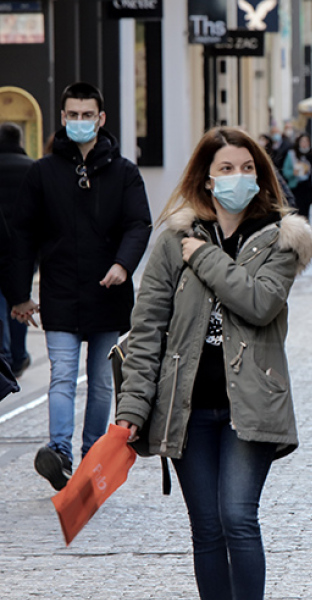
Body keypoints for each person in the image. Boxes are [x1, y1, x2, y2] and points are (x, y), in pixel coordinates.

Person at [114, 126, 312, 599]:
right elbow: (147, 328)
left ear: (260, 176)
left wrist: (204, 257)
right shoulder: (173, 241)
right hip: (186, 406)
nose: (237, 176)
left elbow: (259, 303)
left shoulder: (281, 239)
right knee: (206, 527)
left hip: (251, 404)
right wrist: (133, 406)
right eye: (226, 168)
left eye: (247, 168)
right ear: (207, 178)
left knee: (238, 517)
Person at [9, 82, 152, 491]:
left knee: (102, 381)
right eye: (73, 114)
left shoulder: (124, 172)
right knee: (62, 376)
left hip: (107, 292)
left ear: (101, 118)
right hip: (60, 291)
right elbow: (23, 234)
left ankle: (92, 457)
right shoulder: (43, 172)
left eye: (87, 115)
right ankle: (59, 453)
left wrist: (123, 264)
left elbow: (138, 223)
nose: (80, 121)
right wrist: (20, 294)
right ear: (62, 117)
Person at [0, 123, 33, 378]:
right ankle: (19, 356)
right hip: (24, 249)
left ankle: (5, 354)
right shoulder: (32, 168)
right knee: (20, 298)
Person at [286, 133, 312, 218]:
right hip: (296, 187)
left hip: (308, 187)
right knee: (297, 210)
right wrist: (293, 172)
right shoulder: (292, 154)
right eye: (302, 141)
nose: (304, 144)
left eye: (306, 141)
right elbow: (285, 171)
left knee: (306, 212)